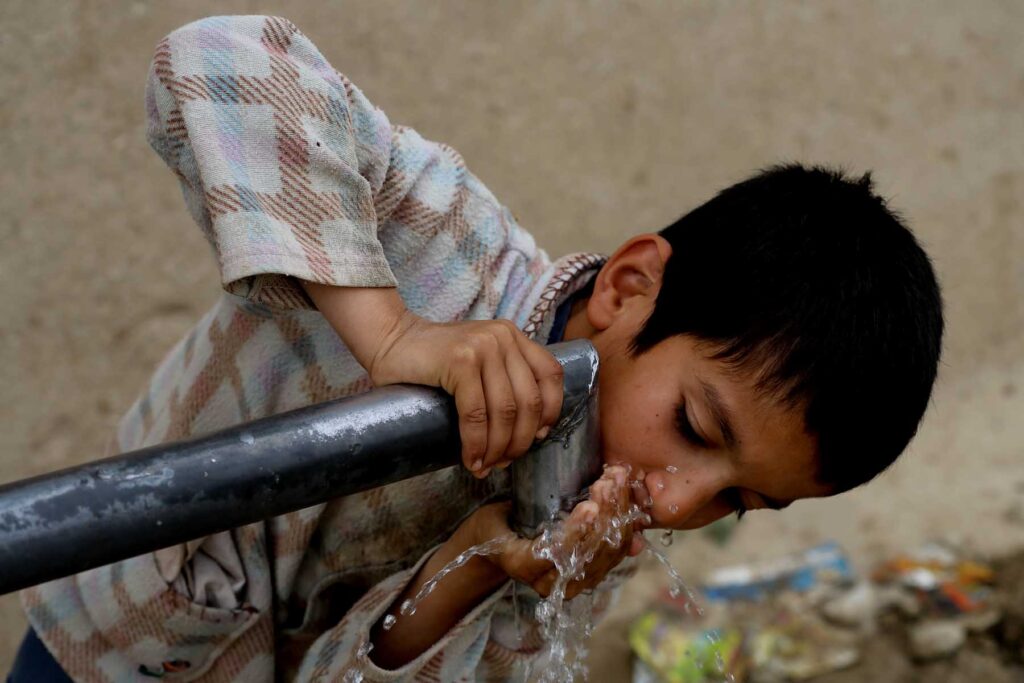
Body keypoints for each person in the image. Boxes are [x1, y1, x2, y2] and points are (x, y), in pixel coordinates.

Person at [12, 14, 943, 683]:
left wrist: (470, 570)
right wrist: (395, 332)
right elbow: (217, 57)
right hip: (122, 635)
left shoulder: (591, 532)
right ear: (627, 287)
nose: (676, 500)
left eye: (738, 501)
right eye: (696, 426)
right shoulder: (443, 242)